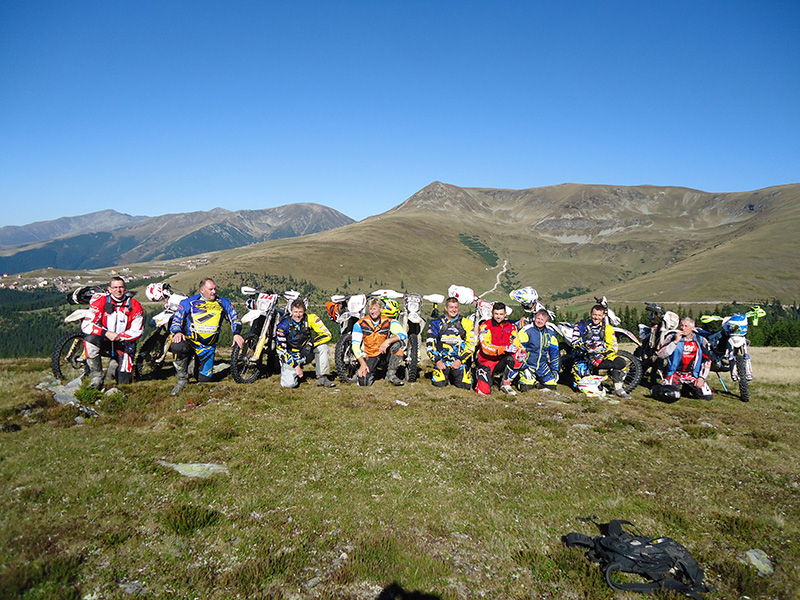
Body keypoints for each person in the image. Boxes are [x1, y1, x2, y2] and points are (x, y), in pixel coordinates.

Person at [169, 278, 244, 395]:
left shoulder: (223, 302)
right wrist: (177, 332)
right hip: (190, 342)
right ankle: (182, 379)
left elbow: (235, 319)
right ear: (202, 290)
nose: (214, 292)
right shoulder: (188, 303)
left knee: (204, 381)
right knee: (177, 346)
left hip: (207, 348)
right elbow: (176, 321)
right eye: (210, 289)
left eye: (215, 289)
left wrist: (237, 334)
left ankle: (193, 367)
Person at [81, 276, 144, 388]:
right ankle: (97, 376)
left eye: (121, 287)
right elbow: (86, 325)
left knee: (125, 384)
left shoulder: (134, 304)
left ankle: (112, 369)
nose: (118, 290)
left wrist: (120, 336)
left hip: (124, 342)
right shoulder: (101, 302)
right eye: (115, 287)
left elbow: (138, 330)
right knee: (89, 341)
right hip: (104, 340)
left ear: (125, 288)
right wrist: (105, 333)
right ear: (109, 289)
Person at [572, 304, 631, 399]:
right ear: (591, 314)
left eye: (599, 315)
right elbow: (574, 342)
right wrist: (587, 349)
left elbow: (613, 346)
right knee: (580, 388)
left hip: (602, 357)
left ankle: (618, 389)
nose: (596, 318)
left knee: (620, 362)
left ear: (604, 316)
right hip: (585, 357)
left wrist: (602, 355)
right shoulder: (581, 326)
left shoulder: (608, 328)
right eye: (595, 315)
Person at [276, 298, 336, 388]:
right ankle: (295, 372)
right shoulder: (283, 325)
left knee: (322, 347)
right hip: (291, 357)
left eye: (300, 312)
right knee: (289, 385)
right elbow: (281, 351)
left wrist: (311, 344)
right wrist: (296, 366)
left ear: (304, 311)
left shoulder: (311, 319)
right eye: (295, 312)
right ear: (291, 311)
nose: (298, 315)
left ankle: (322, 377)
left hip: (306, 353)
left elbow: (327, 334)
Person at [351, 298, 407, 386]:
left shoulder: (389, 321)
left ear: (381, 309)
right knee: (364, 383)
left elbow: (403, 334)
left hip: (384, 353)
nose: (372, 312)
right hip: (369, 355)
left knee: (399, 345)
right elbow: (355, 345)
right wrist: (362, 363)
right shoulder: (360, 324)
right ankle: (365, 370)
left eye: (374, 309)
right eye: (370, 309)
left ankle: (391, 375)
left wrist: (388, 341)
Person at [655, 317, 714, 400]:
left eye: (686, 326)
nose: (683, 328)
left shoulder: (700, 340)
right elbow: (661, 354)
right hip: (674, 373)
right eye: (682, 326)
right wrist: (675, 342)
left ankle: (687, 388)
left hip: (693, 375)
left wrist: (702, 378)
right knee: (670, 395)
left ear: (693, 328)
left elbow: (707, 360)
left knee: (707, 397)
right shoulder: (672, 337)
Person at [425, 296, 475, 389]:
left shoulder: (467, 323)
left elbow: (471, 345)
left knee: (464, 386)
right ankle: (445, 374)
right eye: (451, 307)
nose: (454, 310)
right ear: (446, 308)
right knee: (439, 384)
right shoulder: (436, 323)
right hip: (442, 361)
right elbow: (430, 344)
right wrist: (437, 361)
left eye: (456, 307)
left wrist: (460, 360)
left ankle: (459, 374)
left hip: (460, 362)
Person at [509, 308, 560, 391]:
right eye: (538, 319)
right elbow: (518, 351)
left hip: (542, 365)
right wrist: (524, 367)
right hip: (527, 364)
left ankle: (537, 381)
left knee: (552, 386)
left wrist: (555, 369)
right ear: (534, 318)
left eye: (542, 320)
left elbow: (554, 352)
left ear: (546, 322)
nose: (539, 321)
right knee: (526, 388)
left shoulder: (550, 333)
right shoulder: (526, 330)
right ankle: (519, 379)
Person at [475, 302, 520, 396]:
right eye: (496, 314)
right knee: (484, 392)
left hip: (501, 360)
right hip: (487, 361)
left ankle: (506, 384)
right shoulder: (485, 326)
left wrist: (521, 350)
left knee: (518, 355)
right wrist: (504, 348)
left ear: (505, 314)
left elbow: (517, 343)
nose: (498, 317)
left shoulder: (511, 327)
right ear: (492, 313)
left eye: (501, 314)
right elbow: (485, 347)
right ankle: (479, 374)